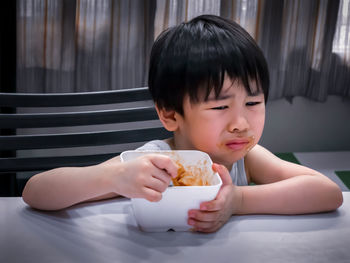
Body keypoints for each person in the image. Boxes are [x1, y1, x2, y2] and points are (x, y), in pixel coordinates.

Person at [22, 15, 343, 232]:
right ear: (170, 114)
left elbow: (328, 193)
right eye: (220, 105)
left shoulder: (247, 157)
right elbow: (36, 192)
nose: (241, 123)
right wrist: (113, 177)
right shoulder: (153, 162)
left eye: (253, 102)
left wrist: (239, 201)